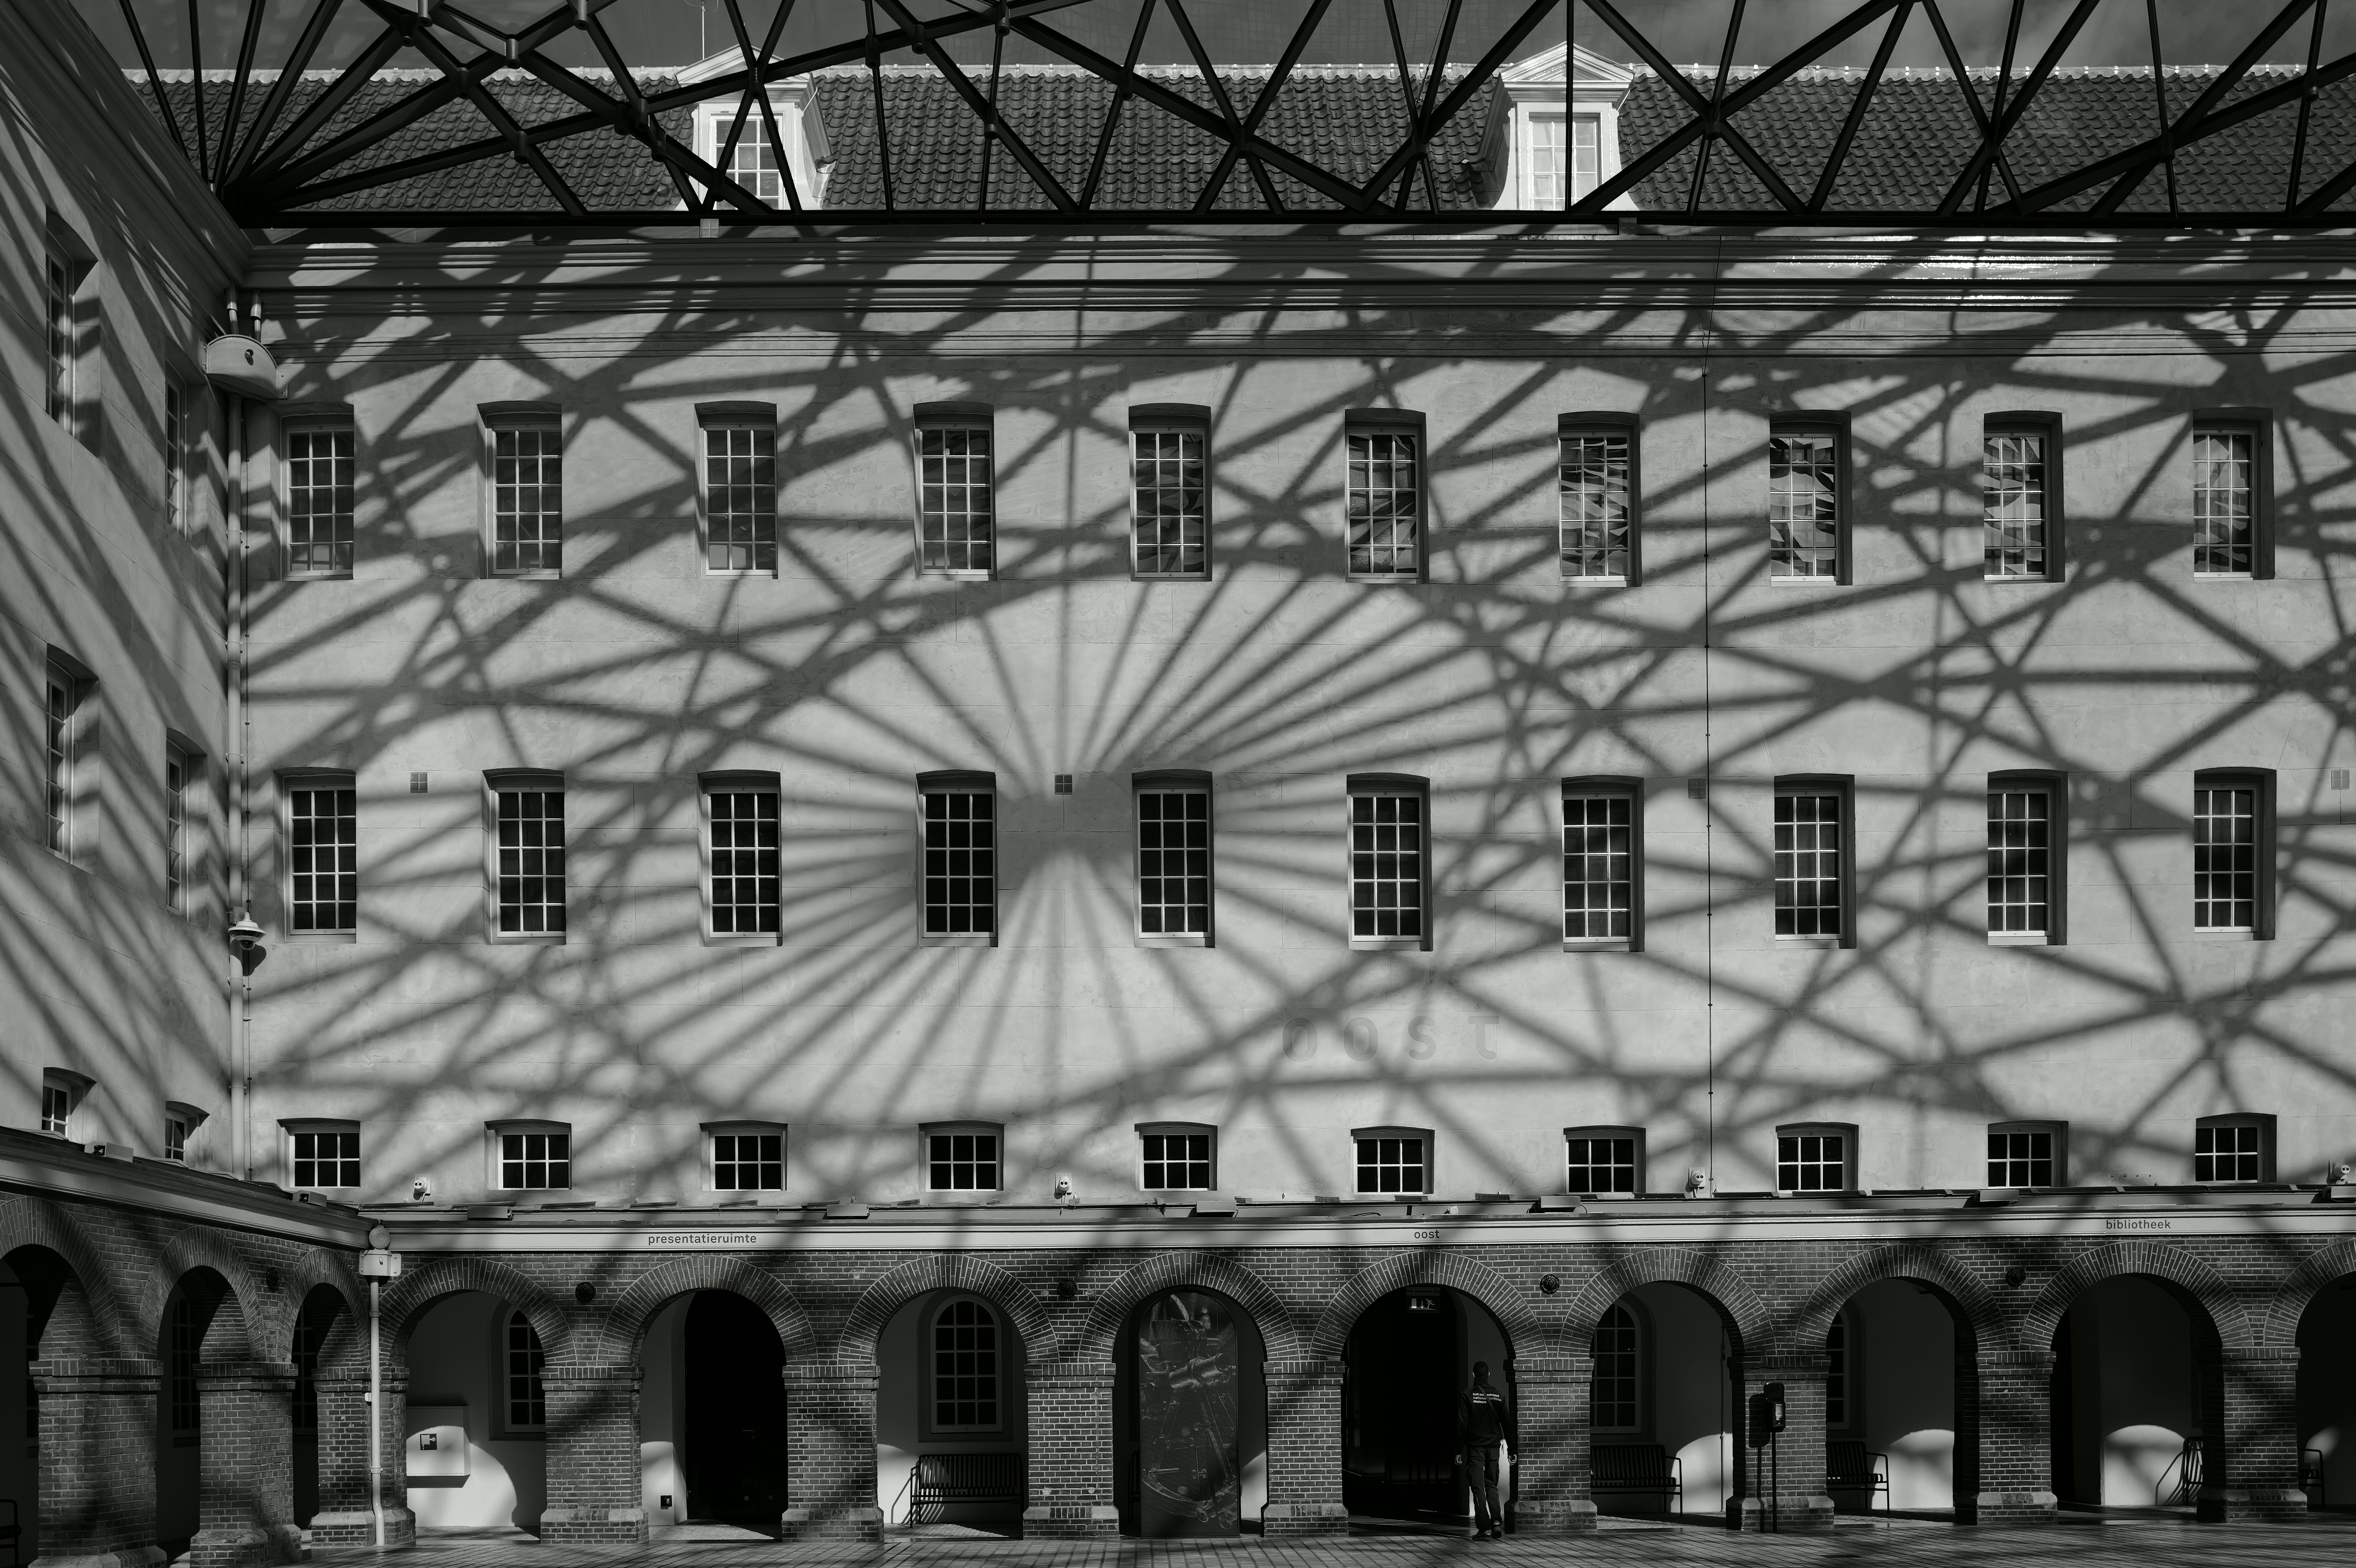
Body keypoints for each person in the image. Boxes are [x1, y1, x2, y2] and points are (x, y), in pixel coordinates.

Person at [1457, 1359, 1511, 1539]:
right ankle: (1496, 1521)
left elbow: (1463, 1425)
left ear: (1474, 1376)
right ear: (1488, 1375)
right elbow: (1507, 1424)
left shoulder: (1467, 1396)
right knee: (1491, 1486)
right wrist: (1513, 1450)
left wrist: (1458, 1449)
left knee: (1478, 1487)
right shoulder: (1499, 1395)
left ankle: (1484, 1528)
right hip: (1494, 1448)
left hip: (1476, 1449)